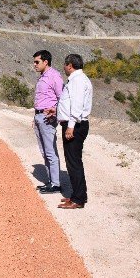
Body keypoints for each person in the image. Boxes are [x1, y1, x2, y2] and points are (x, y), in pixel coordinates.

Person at [51, 54, 93, 209]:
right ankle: (79, 195)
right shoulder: (79, 79)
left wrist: (70, 126)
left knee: (73, 162)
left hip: (75, 125)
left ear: (69, 65)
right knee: (74, 162)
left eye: (64, 64)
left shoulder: (78, 81)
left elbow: (76, 105)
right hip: (75, 124)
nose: (64, 67)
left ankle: (78, 200)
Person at [31, 50, 64, 194]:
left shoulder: (54, 76)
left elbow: (62, 98)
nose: (34, 65)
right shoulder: (42, 77)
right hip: (39, 116)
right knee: (44, 151)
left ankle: (56, 184)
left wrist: (55, 112)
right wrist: (35, 117)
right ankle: (51, 182)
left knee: (50, 152)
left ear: (46, 62)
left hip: (48, 117)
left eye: (37, 62)